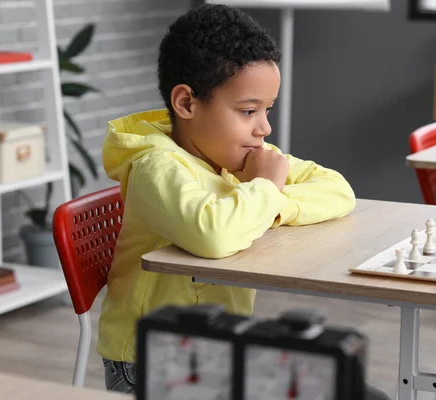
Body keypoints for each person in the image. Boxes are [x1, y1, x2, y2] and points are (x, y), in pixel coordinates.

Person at [98, 3, 357, 394]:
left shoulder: (231, 156)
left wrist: (269, 206)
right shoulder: (157, 168)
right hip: (152, 356)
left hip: (217, 343)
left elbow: (339, 190)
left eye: (267, 110)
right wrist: (266, 190)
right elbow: (214, 236)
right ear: (186, 103)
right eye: (249, 110)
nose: (264, 127)